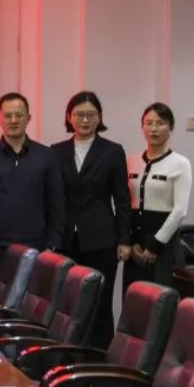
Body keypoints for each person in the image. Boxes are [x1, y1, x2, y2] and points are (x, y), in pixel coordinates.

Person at [51, 91, 131, 347]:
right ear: (69, 117)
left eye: (90, 115)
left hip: (101, 239)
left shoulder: (112, 151)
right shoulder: (56, 151)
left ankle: (99, 357)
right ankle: (66, 356)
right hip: (65, 239)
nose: (84, 120)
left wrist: (125, 240)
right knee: (66, 302)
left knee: (100, 301)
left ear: (99, 117)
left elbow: (122, 199)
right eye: (79, 114)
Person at [0, 92, 66, 295]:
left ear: (28, 118)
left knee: (31, 305)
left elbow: (56, 203)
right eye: (8, 115)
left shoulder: (46, 156)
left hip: (35, 246)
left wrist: (52, 245)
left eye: (19, 115)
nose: (13, 120)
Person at [124, 102, 192, 289]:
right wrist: (130, 240)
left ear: (170, 127)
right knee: (134, 298)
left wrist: (155, 245)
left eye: (160, 123)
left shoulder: (180, 163)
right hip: (136, 244)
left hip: (164, 243)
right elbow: (124, 202)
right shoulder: (131, 160)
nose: (153, 129)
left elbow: (180, 210)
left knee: (162, 299)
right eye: (148, 123)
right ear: (142, 127)